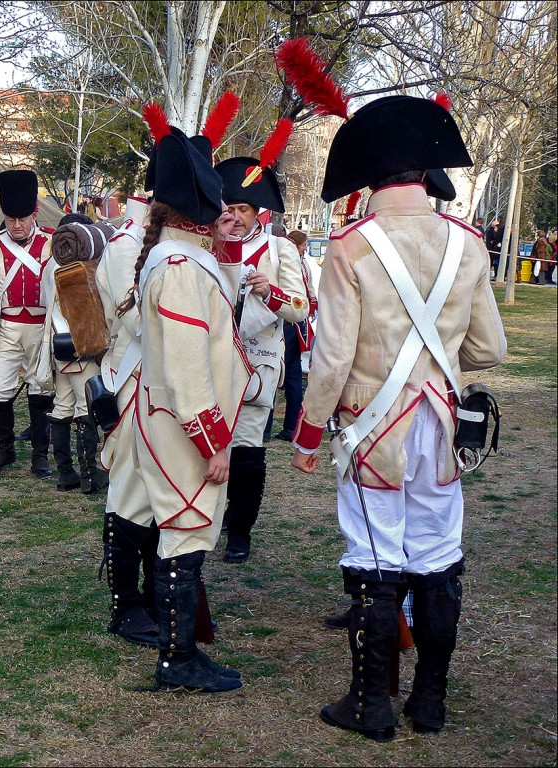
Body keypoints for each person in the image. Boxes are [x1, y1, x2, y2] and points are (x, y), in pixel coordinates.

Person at [289, 94, 506, 741]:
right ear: (421, 171)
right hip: (441, 432)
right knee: (438, 559)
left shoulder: (351, 247)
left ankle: (370, 705)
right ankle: (429, 703)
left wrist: (306, 435)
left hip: (372, 433)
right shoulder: (467, 243)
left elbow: (329, 361)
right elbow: (488, 348)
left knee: (377, 559)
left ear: (371, 172)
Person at [124, 109, 252, 692]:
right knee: (186, 530)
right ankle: (177, 660)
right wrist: (214, 439)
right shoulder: (177, 267)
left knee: (186, 531)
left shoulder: (180, 258)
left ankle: (181, 654)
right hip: (184, 425)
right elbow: (185, 368)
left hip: (173, 418)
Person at [214, 130, 309, 564]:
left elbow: (300, 308)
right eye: (229, 208)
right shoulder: (207, 245)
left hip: (258, 360)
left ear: (257, 212)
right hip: (213, 356)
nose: (234, 216)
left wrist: (269, 291)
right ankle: (211, 519)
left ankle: (240, 530)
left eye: (242, 209)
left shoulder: (279, 248)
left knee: (248, 448)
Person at [96, 195, 160, 647]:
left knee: (159, 488)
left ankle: (159, 592)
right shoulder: (125, 245)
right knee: (130, 487)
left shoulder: (161, 243)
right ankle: (126, 604)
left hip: (165, 378)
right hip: (134, 374)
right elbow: (135, 319)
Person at [0, 170, 55, 478]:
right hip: (6, 328)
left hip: (42, 329)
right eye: (11, 219)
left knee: (40, 387)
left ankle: (40, 454)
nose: (16, 226)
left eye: (23, 219)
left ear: (35, 213)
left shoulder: (52, 243)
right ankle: (6, 448)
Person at [37, 213, 112, 494]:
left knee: (62, 406)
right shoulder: (80, 266)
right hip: (81, 343)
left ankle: (65, 474)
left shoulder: (49, 265)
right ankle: (89, 476)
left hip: (59, 343)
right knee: (85, 408)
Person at [271, 230, 318, 442]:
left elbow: (306, 295)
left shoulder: (296, 263)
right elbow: (310, 294)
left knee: (280, 375)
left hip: (287, 324)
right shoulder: (301, 264)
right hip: (293, 323)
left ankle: (277, 428)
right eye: (303, 246)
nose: (304, 250)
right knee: (291, 377)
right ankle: (290, 426)